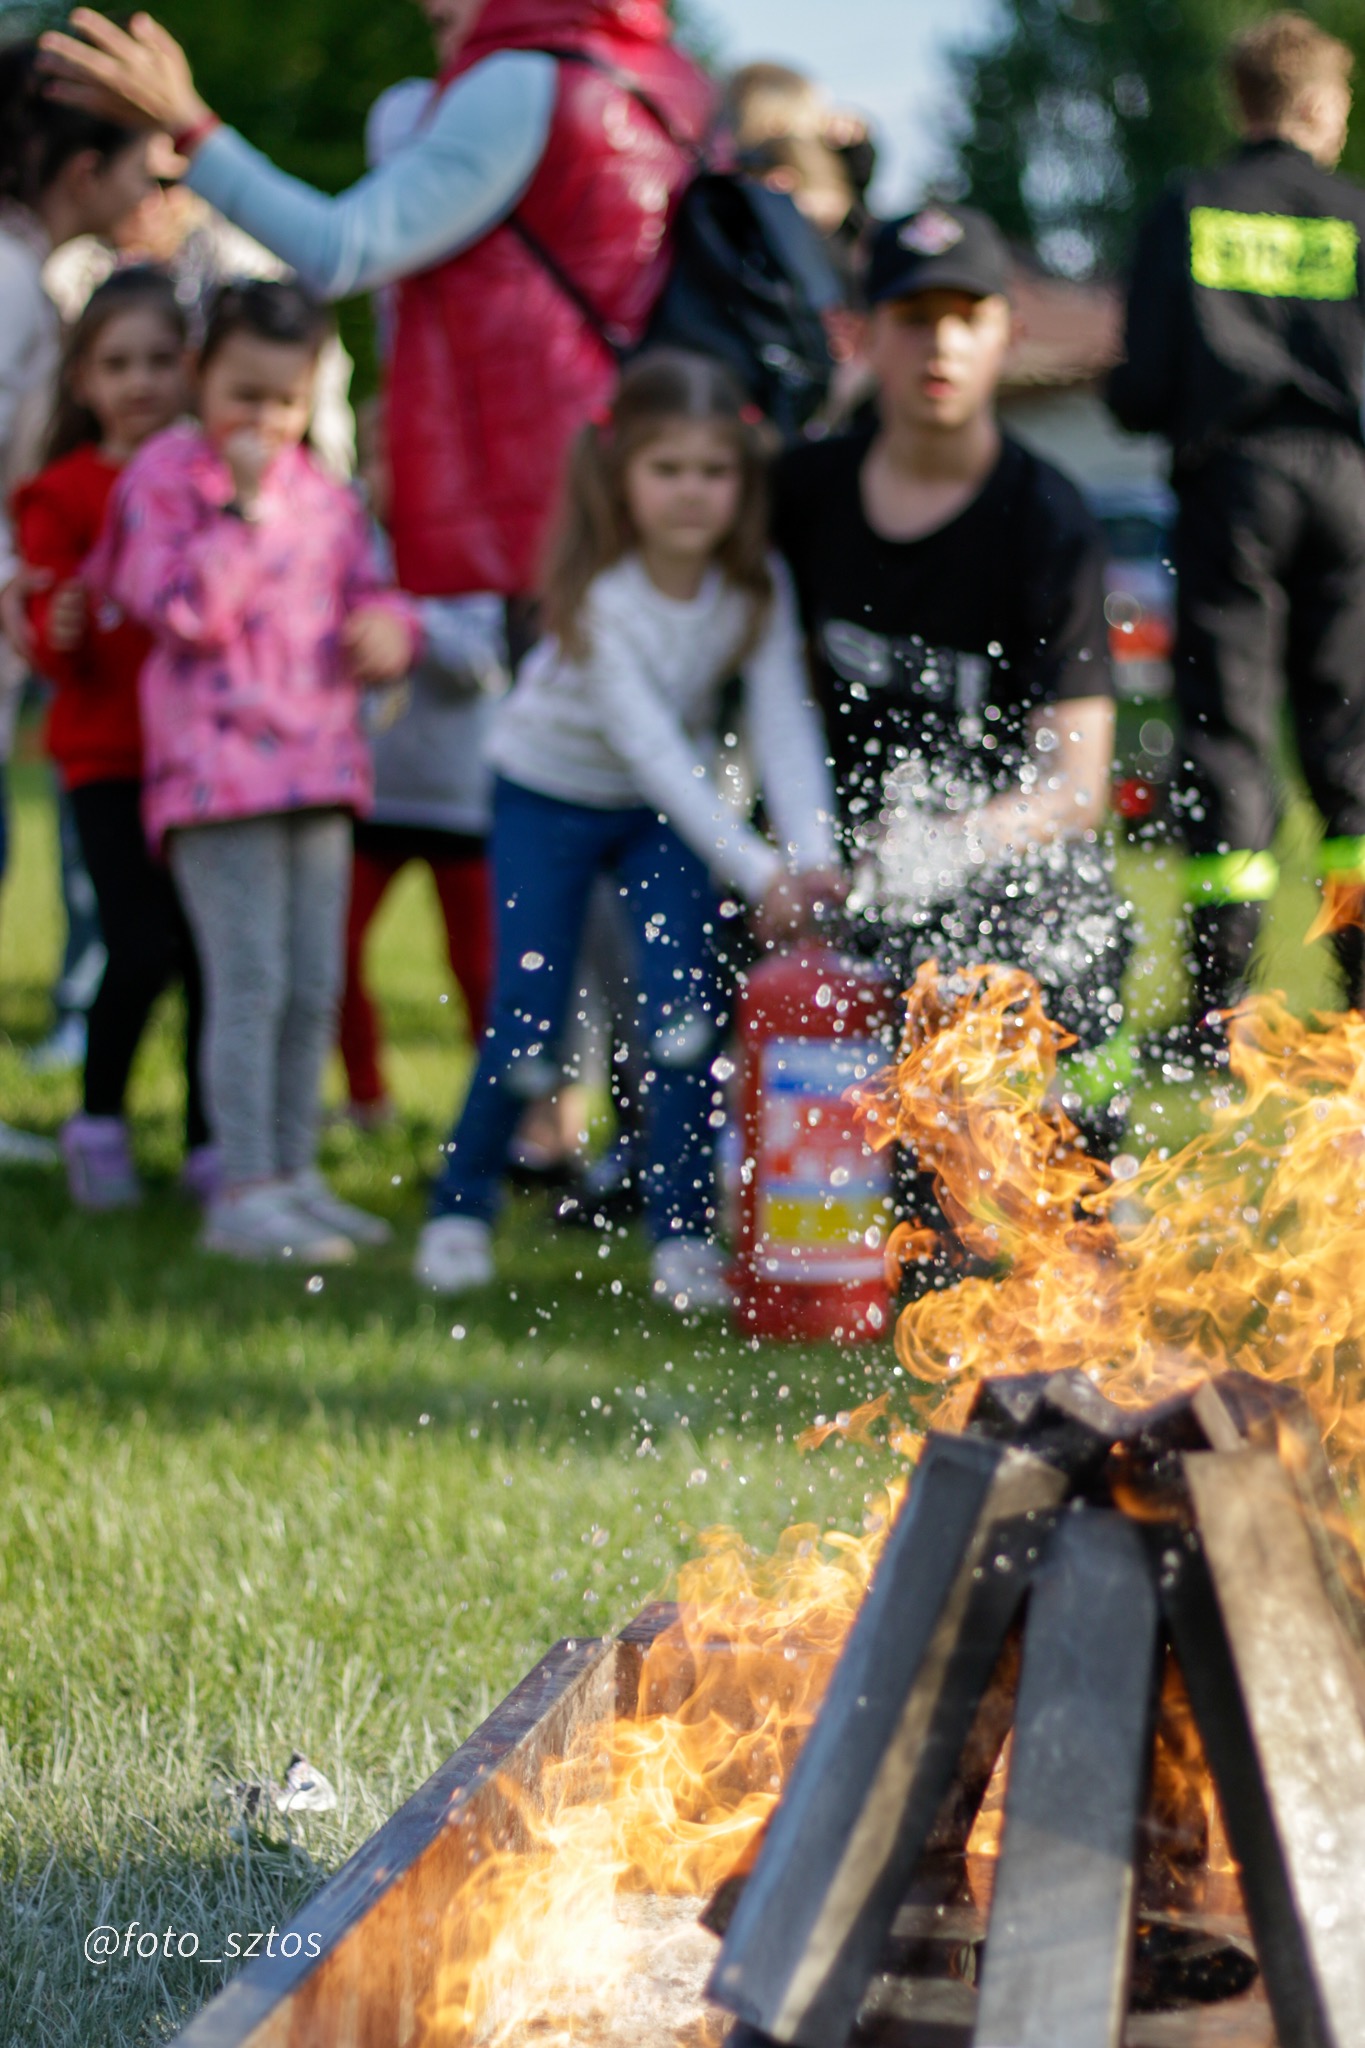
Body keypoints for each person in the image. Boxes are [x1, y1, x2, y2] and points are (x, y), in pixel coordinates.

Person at [40, 1, 714, 610]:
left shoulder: (523, 79)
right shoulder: (646, 71)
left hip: (554, 474)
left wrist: (189, 127)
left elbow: (342, 250)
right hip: (629, 446)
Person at [415, 351, 842, 1308]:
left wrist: (810, 861)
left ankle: (683, 1235)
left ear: (744, 478)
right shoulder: (601, 597)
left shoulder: (755, 587)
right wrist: (755, 867)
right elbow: (650, 748)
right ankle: (458, 1206)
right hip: (547, 796)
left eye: (714, 470)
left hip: (662, 816)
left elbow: (783, 721)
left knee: (682, 1019)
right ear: (620, 479)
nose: (692, 492)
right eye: (667, 469)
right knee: (527, 1012)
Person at [772, 206, 1128, 1188]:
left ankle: (1080, 1165)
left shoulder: (1049, 520)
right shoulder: (799, 493)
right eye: (913, 316)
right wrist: (786, 856)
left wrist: (936, 850)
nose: (941, 342)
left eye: (966, 315)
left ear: (1006, 333)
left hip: (980, 858)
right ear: (865, 335)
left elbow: (1074, 789)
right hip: (819, 848)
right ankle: (674, 1174)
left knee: (1076, 917)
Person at [84, 279, 419, 1263]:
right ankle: (244, 1186)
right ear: (199, 375)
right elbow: (181, 611)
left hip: (320, 768)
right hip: (214, 777)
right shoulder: (165, 478)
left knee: (314, 980)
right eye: (244, 393)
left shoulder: (323, 488)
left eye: (285, 398)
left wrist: (388, 631)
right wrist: (240, 506)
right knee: (251, 978)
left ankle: (295, 1169)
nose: (264, 419)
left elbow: (372, 584)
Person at [1107, 13, 1365, 1052]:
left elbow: (1140, 384)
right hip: (1349, 484)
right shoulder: (1354, 214)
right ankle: (1357, 997)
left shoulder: (1191, 205)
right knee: (1350, 746)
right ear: (1314, 103)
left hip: (1234, 488)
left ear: (1243, 99)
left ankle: (1221, 1010)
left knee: (1228, 737)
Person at [15, 265, 212, 1209]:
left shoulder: (211, 479)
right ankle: (99, 1125)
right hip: (108, 757)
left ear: (192, 369)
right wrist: (55, 621)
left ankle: (215, 1142)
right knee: (136, 947)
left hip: (210, 762)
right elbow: (47, 621)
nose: (139, 382)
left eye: (159, 361)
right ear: (82, 381)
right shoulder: (61, 491)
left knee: (211, 952)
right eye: (117, 364)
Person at [0, 36, 152, 1167]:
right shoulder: (7, 288)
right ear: (81, 167)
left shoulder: (30, 280)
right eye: (140, 158)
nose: (153, 187)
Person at [339, 400, 502, 1126]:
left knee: (478, 968)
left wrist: (407, 621)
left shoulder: (472, 549)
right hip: (367, 792)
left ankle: (498, 1115)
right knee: (333, 951)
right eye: (384, 456)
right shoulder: (347, 541)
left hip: (458, 797)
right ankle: (365, 1097)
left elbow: (481, 663)